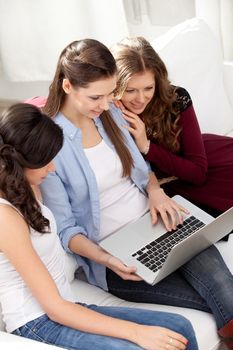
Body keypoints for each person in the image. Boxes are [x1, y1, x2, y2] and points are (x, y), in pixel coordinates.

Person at [39, 39, 233, 348]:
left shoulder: (110, 115)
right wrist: (106, 259)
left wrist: (155, 192)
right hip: (115, 255)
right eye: (96, 97)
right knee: (222, 299)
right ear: (67, 86)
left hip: (159, 222)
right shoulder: (50, 144)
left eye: (110, 93)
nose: (107, 105)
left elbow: (143, 173)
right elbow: (66, 230)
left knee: (227, 291)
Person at [0, 102, 198, 350]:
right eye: (46, 162)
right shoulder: (5, 217)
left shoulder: (27, 185)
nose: (52, 169)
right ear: (18, 163)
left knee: (179, 328)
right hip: (37, 322)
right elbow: (54, 308)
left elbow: (24, 121)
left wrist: (108, 259)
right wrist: (137, 333)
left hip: (67, 308)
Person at [111, 36, 233, 220]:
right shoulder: (108, 112)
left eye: (148, 88)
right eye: (130, 90)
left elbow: (198, 173)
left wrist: (147, 146)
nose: (141, 98)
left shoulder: (176, 99)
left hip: (210, 161)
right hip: (172, 183)